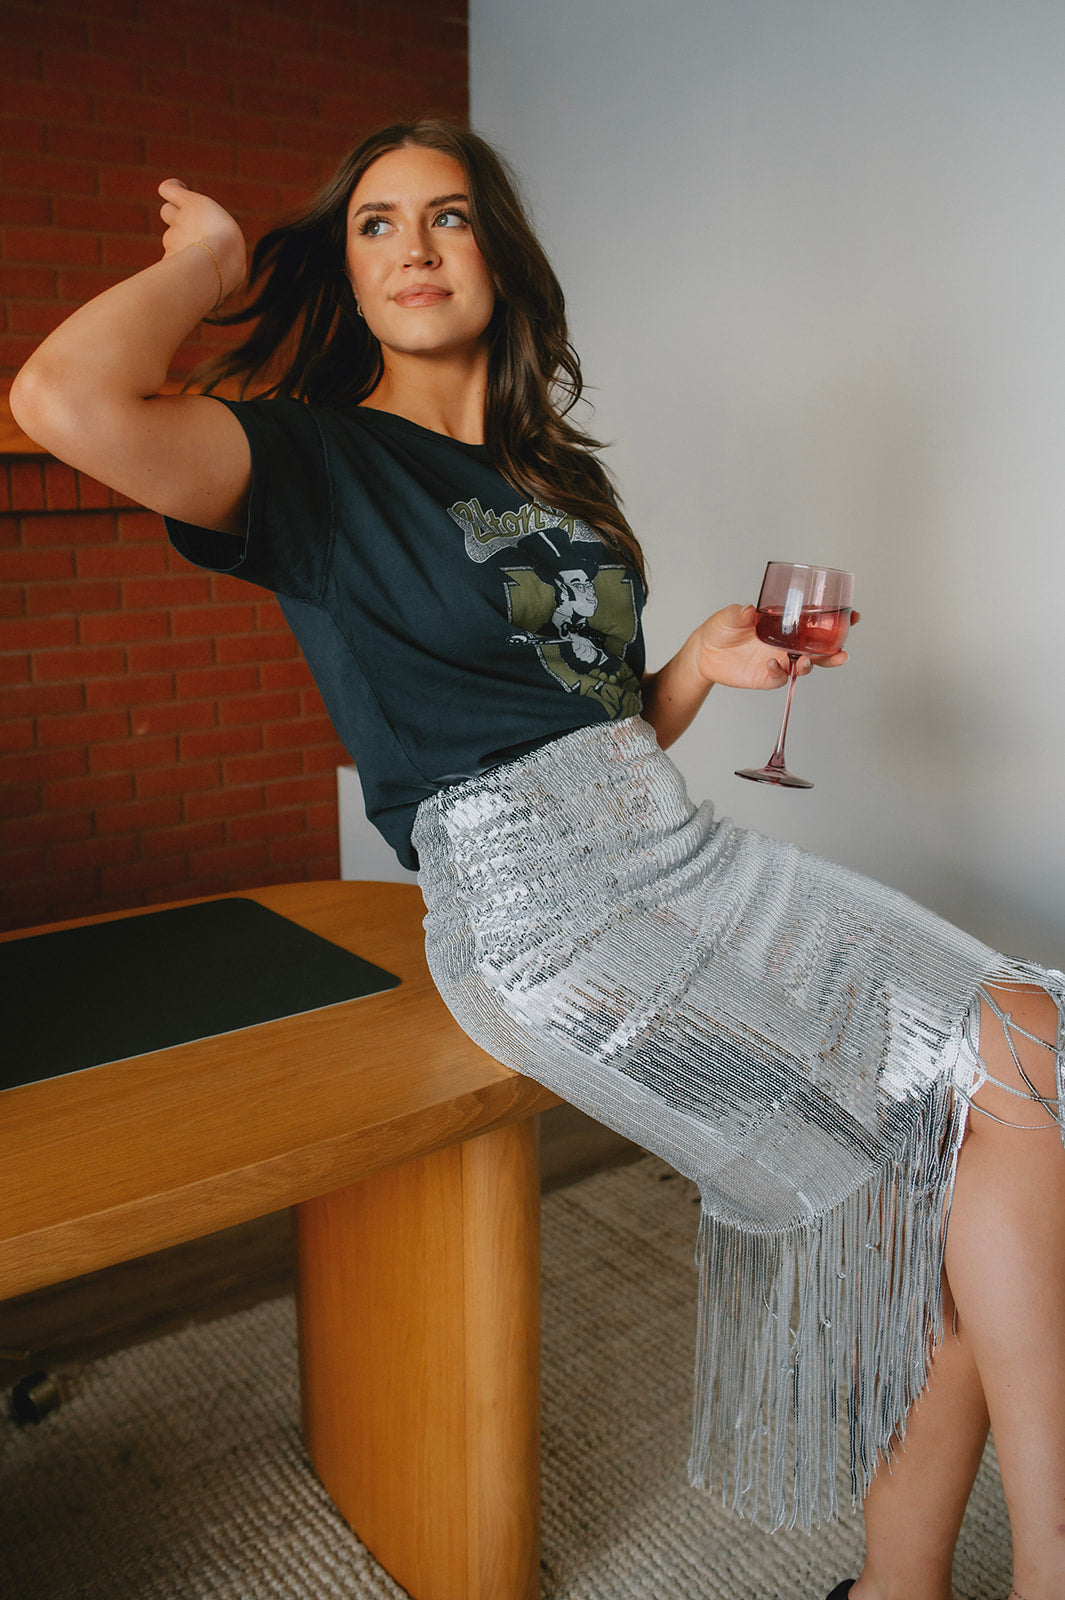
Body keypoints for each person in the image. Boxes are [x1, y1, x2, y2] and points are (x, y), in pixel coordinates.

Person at [10, 119, 1064, 1600]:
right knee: (931, 1161)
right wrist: (211, 263)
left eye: (447, 216)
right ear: (349, 272)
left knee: (1012, 1063)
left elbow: (600, 729)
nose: (414, 247)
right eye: (377, 224)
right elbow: (59, 398)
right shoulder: (311, 460)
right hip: (541, 916)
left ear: (498, 254)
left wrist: (690, 668)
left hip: (683, 854)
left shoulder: (559, 486)